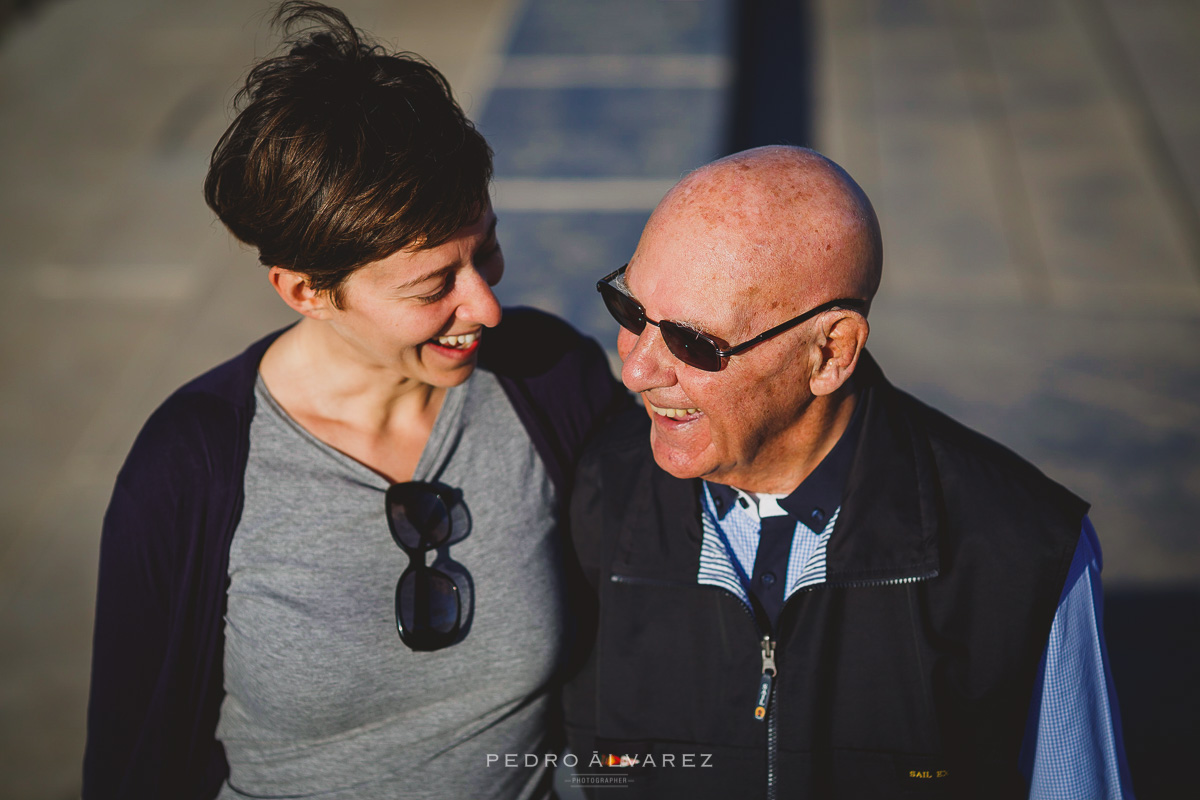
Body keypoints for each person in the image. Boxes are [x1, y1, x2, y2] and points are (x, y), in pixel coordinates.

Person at [82, 3, 623, 798]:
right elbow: (134, 755)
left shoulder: (550, 383)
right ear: (305, 290)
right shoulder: (189, 469)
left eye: (488, 248)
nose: (487, 306)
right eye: (435, 284)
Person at [561, 146, 1133, 799]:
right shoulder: (590, 497)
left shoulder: (1022, 551)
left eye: (694, 343)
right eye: (630, 311)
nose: (635, 369)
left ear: (831, 352)